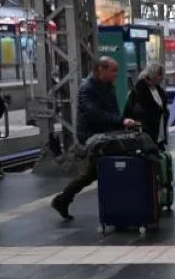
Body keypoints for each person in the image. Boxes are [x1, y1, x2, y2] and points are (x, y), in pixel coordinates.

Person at [50, 57, 140, 220]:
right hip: (92, 135)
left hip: (107, 134)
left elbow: (113, 112)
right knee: (104, 170)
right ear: (101, 69)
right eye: (113, 71)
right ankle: (64, 200)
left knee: (93, 173)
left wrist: (122, 125)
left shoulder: (108, 87)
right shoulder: (87, 88)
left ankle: (63, 200)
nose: (116, 75)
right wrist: (121, 121)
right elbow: (94, 114)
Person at [124, 63, 169, 148]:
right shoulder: (139, 90)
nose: (162, 78)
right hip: (145, 132)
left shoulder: (157, 89)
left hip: (159, 131)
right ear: (153, 74)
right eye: (160, 75)